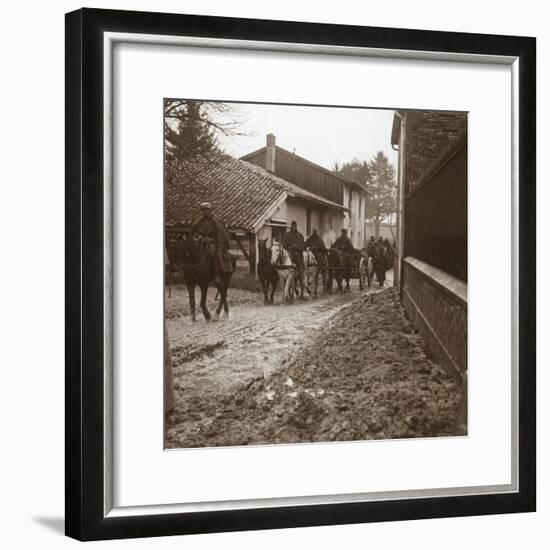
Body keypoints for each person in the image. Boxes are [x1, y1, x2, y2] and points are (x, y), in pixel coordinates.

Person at [191, 202, 232, 283]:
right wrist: (199, 237)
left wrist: (211, 240)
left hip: (214, 243)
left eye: (206, 210)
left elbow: (221, 235)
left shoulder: (216, 221)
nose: (204, 212)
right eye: (202, 210)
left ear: (210, 210)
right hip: (200, 242)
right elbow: (194, 231)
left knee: (214, 253)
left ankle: (216, 274)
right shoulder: (199, 221)